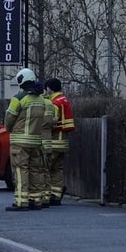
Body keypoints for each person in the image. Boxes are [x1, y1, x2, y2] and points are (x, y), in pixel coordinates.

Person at [4, 68, 53, 211]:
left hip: (20, 142)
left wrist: (10, 129)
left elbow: (9, 120)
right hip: (36, 141)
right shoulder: (41, 100)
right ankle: (36, 200)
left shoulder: (18, 99)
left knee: (21, 170)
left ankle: (21, 201)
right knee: (36, 170)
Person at [44, 78, 74, 206]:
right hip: (63, 142)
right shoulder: (64, 100)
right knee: (57, 170)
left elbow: (51, 122)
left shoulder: (54, 103)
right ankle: (56, 195)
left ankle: (45, 195)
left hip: (54, 141)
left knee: (46, 168)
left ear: (49, 88)